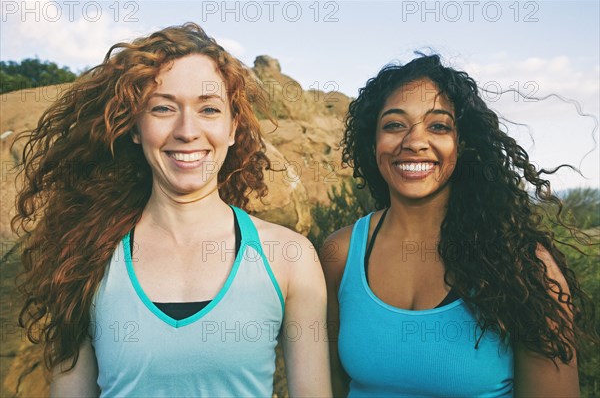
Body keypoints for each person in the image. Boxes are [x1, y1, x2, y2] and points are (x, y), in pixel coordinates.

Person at [14, 23, 331, 397]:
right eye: (163, 108)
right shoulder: (87, 255)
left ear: (233, 128)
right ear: (135, 127)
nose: (187, 130)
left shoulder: (289, 256)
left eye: (209, 109)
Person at [321, 54, 596, 397]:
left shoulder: (525, 266)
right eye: (394, 125)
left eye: (438, 126)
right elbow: (328, 384)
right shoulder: (340, 253)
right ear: (372, 142)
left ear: (463, 144)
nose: (414, 142)